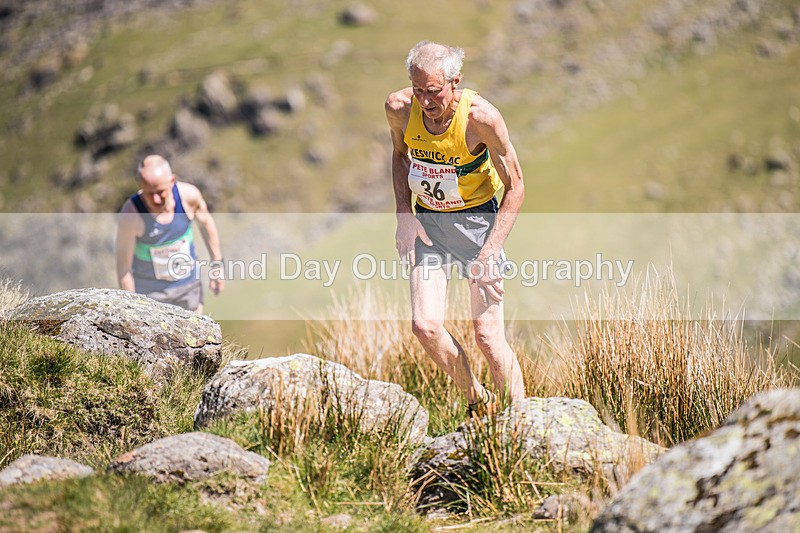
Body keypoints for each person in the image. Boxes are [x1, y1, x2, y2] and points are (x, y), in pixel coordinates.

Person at [385, 41, 526, 413]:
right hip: (428, 225)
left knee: (488, 337)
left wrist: (491, 250)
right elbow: (400, 155)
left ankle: (521, 421)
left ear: (455, 81)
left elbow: (516, 185)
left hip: (477, 227)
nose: (426, 102)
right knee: (425, 327)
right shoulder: (399, 108)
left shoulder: (481, 117)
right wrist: (403, 212)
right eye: (419, 90)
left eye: (434, 92)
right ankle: (478, 401)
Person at [116, 154, 224, 313]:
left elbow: (206, 223)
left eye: (160, 192)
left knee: (196, 335)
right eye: (148, 193)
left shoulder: (189, 197)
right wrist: (133, 308)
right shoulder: (131, 214)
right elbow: (123, 267)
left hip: (189, 286)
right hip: (150, 295)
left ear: (172, 181)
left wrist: (217, 265)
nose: (156, 199)